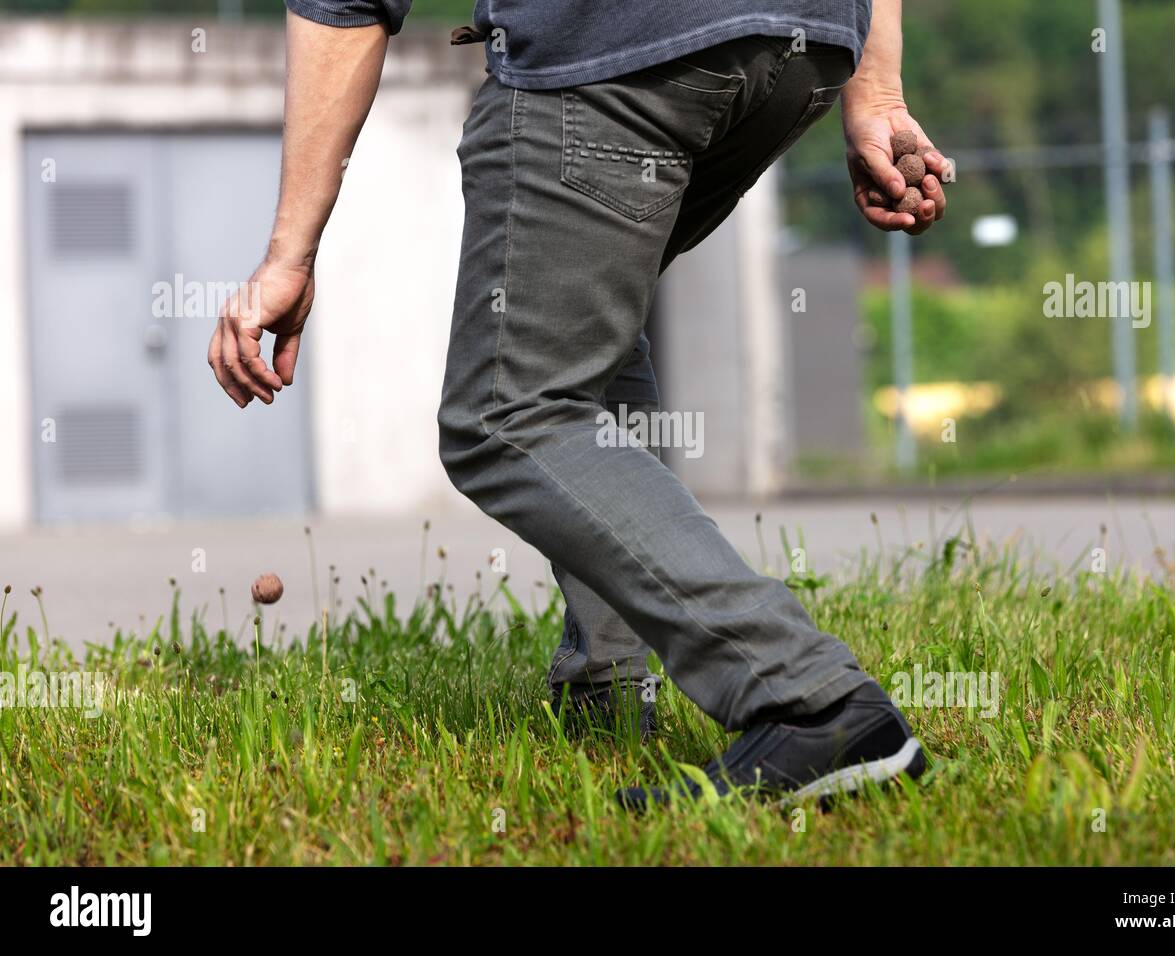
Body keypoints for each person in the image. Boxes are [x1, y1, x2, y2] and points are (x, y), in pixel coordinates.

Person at [209, 0, 948, 807]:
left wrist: (290, 253)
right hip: (800, 50)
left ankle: (814, 704)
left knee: (508, 412)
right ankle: (606, 691)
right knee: (578, 333)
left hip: (619, 48)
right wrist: (874, 93)